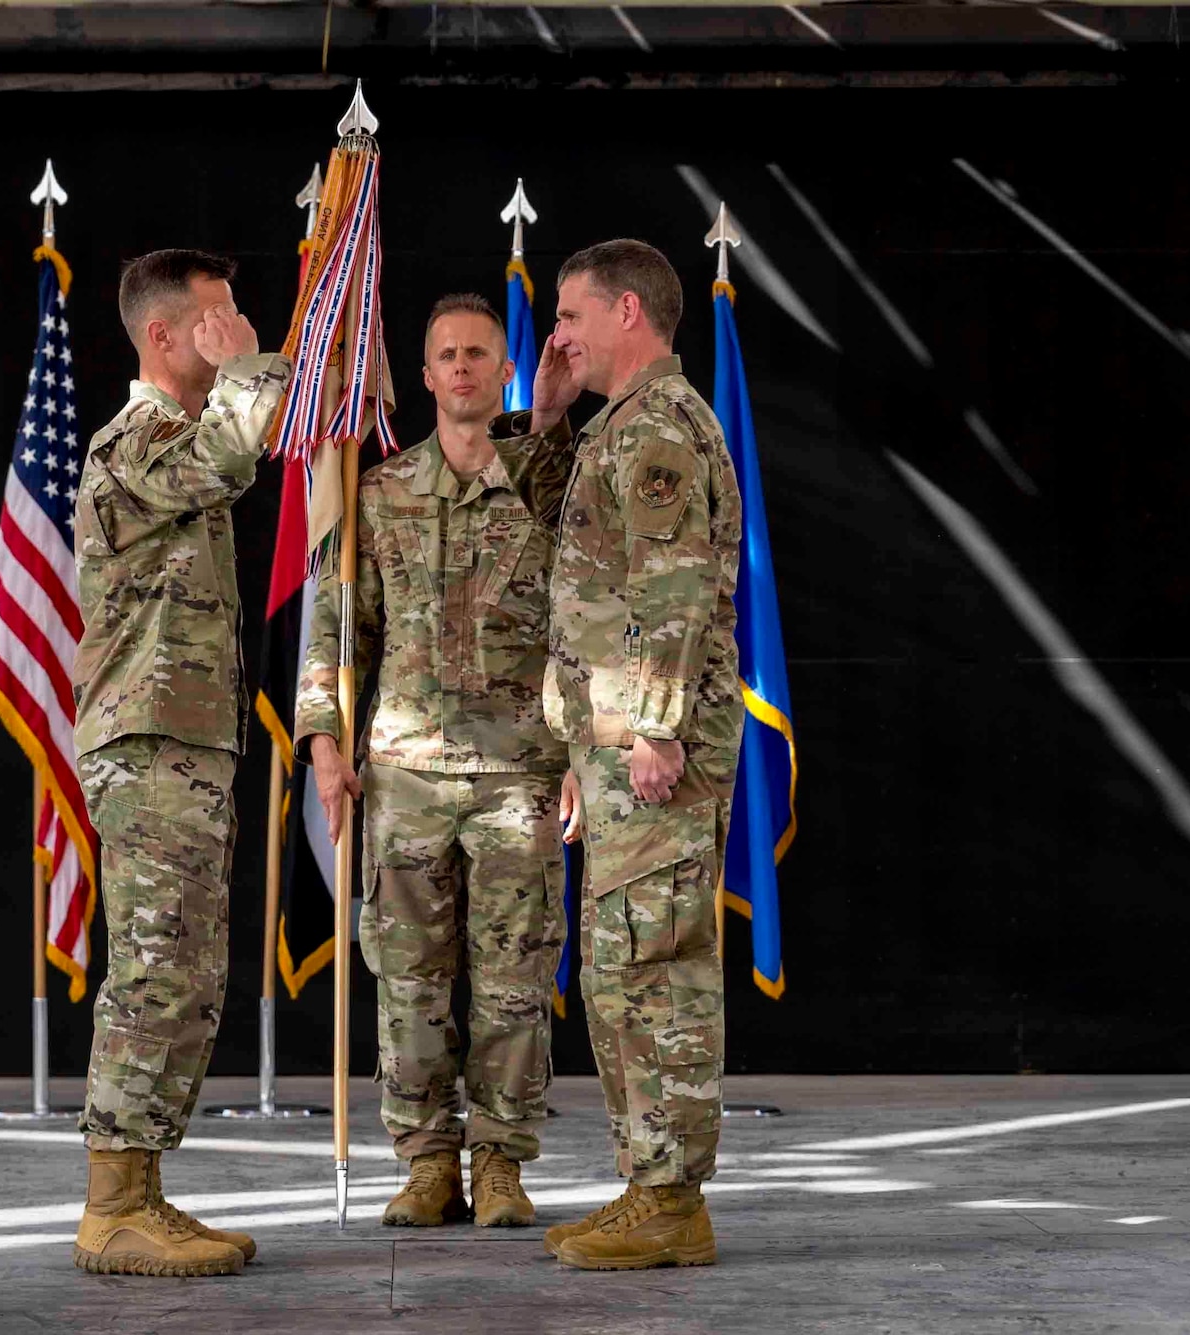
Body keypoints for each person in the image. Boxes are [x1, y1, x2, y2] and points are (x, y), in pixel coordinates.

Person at [297, 294, 578, 1230]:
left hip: (517, 776)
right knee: (411, 982)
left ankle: (499, 1161)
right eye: (445, 354)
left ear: (505, 370)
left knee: (512, 983)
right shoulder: (381, 493)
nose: (461, 367)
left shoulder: (548, 483)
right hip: (407, 779)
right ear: (423, 375)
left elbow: (587, 616)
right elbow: (341, 631)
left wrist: (583, 749)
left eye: (479, 354)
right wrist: (325, 742)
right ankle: (425, 1162)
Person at [498, 239, 745, 1271]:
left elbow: (673, 585)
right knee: (618, 968)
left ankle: (669, 1197)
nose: (555, 333)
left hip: (652, 742)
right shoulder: (616, 428)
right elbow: (571, 547)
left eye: (568, 314)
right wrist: (545, 421)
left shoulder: (662, 430)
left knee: (653, 967)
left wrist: (651, 728)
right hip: (612, 739)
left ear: (628, 311)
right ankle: (648, 1183)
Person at [69, 249, 292, 1278]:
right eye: (216, 316)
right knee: (156, 970)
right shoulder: (133, 444)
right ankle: (111, 1204)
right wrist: (253, 365)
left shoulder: (182, 434)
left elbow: (250, 440)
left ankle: (143, 1188)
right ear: (163, 337)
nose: (235, 327)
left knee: (189, 974)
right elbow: (232, 458)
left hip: (187, 740)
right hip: (148, 743)